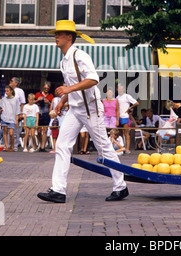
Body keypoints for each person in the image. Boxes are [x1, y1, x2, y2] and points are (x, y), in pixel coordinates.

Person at [37, 20, 127, 203]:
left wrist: (67, 91)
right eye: (56, 33)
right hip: (75, 110)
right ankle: (58, 191)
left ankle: (121, 187)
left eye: (60, 34)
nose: (56, 36)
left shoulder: (80, 55)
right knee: (62, 145)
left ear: (69, 37)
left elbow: (93, 79)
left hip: (90, 109)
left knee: (104, 149)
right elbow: (72, 85)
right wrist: (63, 100)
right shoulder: (64, 60)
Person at [0, 86, 21, 152]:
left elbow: (17, 110)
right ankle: (6, 146)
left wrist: (17, 118)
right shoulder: (4, 99)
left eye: (8, 91)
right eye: (6, 91)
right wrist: (0, 110)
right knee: (5, 131)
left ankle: (12, 146)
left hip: (12, 118)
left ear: (11, 91)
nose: (6, 92)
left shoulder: (15, 99)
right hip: (5, 117)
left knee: (11, 133)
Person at [116, 84, 139, 152]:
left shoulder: (127, 96)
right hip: (119, 116)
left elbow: (136, 103)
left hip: (125, 116)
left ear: (124, 89)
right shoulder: (117, 97)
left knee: (126, 133)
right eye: (119, 88)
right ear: (117, 89)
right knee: (120, 133)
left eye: (121, 88)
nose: (120, 90)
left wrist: (129, 108)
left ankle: (127, 149)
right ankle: (121, 148)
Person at [35, 81, 54, 152]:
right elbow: (32, 103)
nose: (46, 89)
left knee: (45, 130)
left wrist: (48, 102)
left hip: (46, 114)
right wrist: (37, 100)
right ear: (43, 87)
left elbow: (52, 105)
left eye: (47, 88)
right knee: (39, 131)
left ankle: (43, 146)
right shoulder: (38, 94)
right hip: (39, 114)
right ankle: (40, 143)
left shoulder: (51, 96)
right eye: (45, 88)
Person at [9, 77, 26, 151]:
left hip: (16, 112)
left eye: (11, 81)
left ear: (15, 83)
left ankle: (15, 146)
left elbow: (22, 103)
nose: (10, 82)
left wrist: (21, 113)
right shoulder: (8, 90)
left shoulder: (20, 91)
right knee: (7, 129)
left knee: (16, 131)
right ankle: (8, 145)